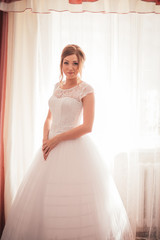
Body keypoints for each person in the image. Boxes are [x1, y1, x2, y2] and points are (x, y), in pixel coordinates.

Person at [1, 44, 134, 240]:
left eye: (75, 63)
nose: (70, 67)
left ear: (81, 65)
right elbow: (49, 118)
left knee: (76, 199)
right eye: (66, 62)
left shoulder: (86, 90)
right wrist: (45, 139)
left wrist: (57, 139)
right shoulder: (57, 87)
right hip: (51, 146)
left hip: (75, 147)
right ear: (61, 63)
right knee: (47, 199)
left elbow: (87, 126)